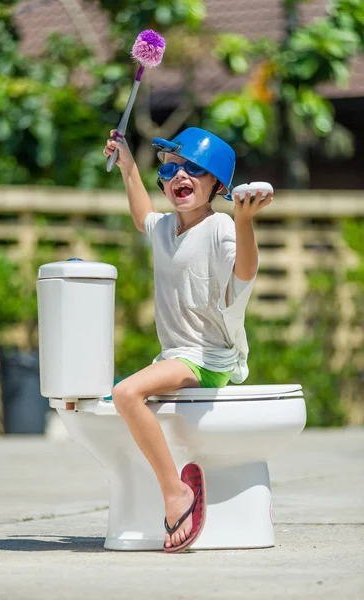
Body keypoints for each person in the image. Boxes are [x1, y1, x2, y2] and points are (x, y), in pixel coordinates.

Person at [103, 127, 273, 553]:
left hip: (208, 360)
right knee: (112, 403)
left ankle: (176, 492)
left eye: (194, 169)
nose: (180, 176)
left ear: (217, 184)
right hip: (176, 357)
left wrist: (245, 221)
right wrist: (127, 166)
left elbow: (245, 273)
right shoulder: (164, 228)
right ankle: (161, 490)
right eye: (171, 169)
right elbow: (143, 215)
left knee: (125, 393)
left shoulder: (220, 228)